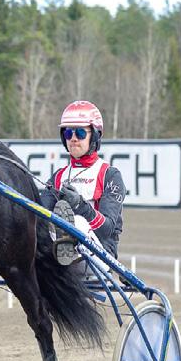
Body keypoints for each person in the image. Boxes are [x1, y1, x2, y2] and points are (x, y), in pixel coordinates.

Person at [41, 100, 126, 266]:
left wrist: (79, 204)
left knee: (77, 221)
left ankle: (67, 246)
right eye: (67, 133)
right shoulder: (58, 177)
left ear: (94, 135)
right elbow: (41, 216)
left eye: (80, 133)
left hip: (100, 255)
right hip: (56, 254)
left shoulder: (109, 175)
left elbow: (107, 230)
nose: (72, 139)